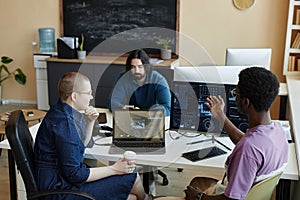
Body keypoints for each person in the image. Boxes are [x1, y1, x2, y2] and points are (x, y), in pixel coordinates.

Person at [162, 67, 288, 200]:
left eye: (236, 93)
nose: (234, 97)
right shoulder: (277, 132)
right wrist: (221, 116)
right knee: (197, 182)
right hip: (249, 193)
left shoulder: (247, 150)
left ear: (246, 102)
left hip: (231, 196)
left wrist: (200, 197)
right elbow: (248, 142)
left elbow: (231, 199)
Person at [34, 72, 147, 200]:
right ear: (74, 96)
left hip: (62, 179)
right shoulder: (66, 124)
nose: (91, 97)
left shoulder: (61, 111)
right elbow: (76, 174)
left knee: (131, 193)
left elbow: (82, 145)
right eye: (88, 93)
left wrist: (90, 121)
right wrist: (115, 168)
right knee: (133, 179)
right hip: (58, 189)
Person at [108, 49, 171, 116]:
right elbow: (111, 102)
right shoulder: (124, 77)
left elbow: (167, 108)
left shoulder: (158, 80)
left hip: (153, 118)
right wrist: (124, 109)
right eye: (133, 67)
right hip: (130, 118)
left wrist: (157, 111)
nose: (136, 71)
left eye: (140, 67)